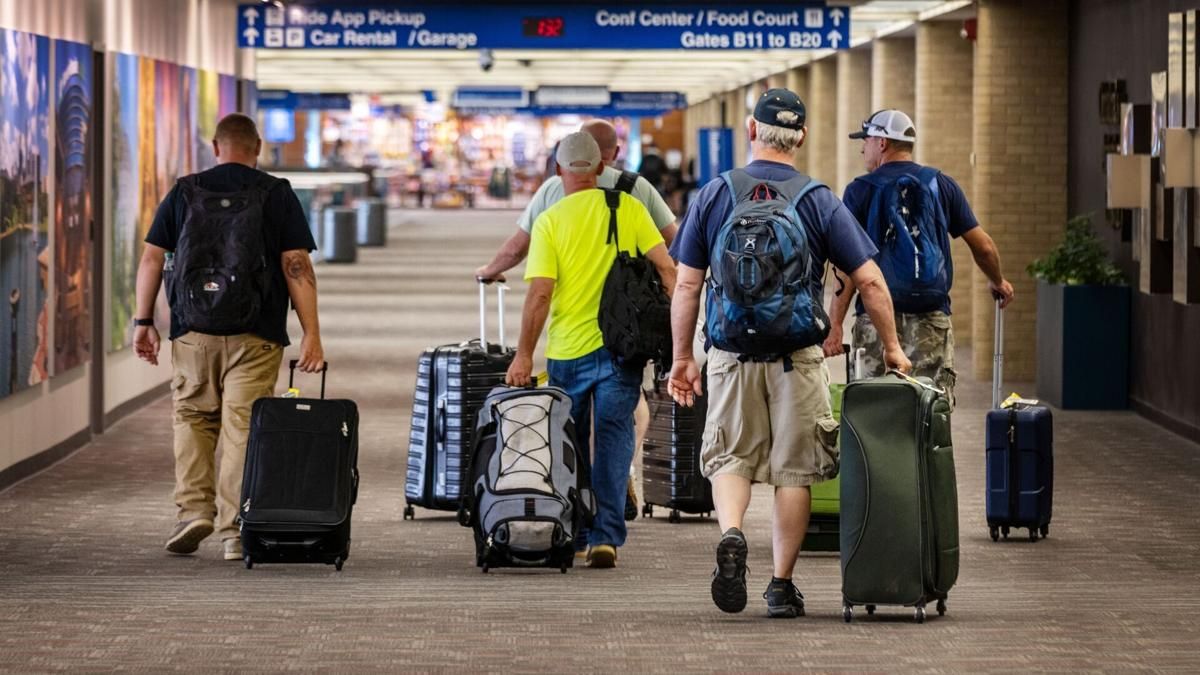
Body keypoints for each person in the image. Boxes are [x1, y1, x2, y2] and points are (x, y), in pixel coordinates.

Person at [667, 89, 911, 618]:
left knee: (729, 457)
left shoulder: (714, 194)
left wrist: (681, 358)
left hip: (730, 354)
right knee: (794, 473)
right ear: (800, 137)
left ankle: (732, 533)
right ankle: (780, 585)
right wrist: (892, 348)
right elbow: (869, 280)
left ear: (751, 131)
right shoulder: (818, 198)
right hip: (797, 358)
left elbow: (686, 287)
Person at [133, 113, 324, 562]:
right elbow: (296, 264)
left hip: (193, 331)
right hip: (256, 333)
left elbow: (151, 260)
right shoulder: (275, 193)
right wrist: (311, 332)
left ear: (215, 147)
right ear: (257, 146)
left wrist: (145, 322)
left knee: (194, 419)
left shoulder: (185, 191)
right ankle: (234, 530)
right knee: (243, 427)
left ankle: (192, 511)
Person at [476, 119, 678, 519]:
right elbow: (671, 263)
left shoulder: (551, 213)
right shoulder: (634, 200)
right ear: (603, 165)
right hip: (624, 344)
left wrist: (522, 355)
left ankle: (578, 527)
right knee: (616, 432)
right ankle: (608, 530)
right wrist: (675, 331)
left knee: (569, 435)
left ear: (558, 169)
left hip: (568, 348)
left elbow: (539, 293)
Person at [826, 109, 1014, 405]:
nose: (863, 148)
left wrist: (835, 324)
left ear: (883, 143)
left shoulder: (859, 190)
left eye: (867, 140)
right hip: (931, 319)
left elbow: (846, 266)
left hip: (876, 322)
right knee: (929, 411)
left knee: (873, 415)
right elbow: (984, 247)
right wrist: (998, 281)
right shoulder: (942, 184)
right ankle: (927, 453)